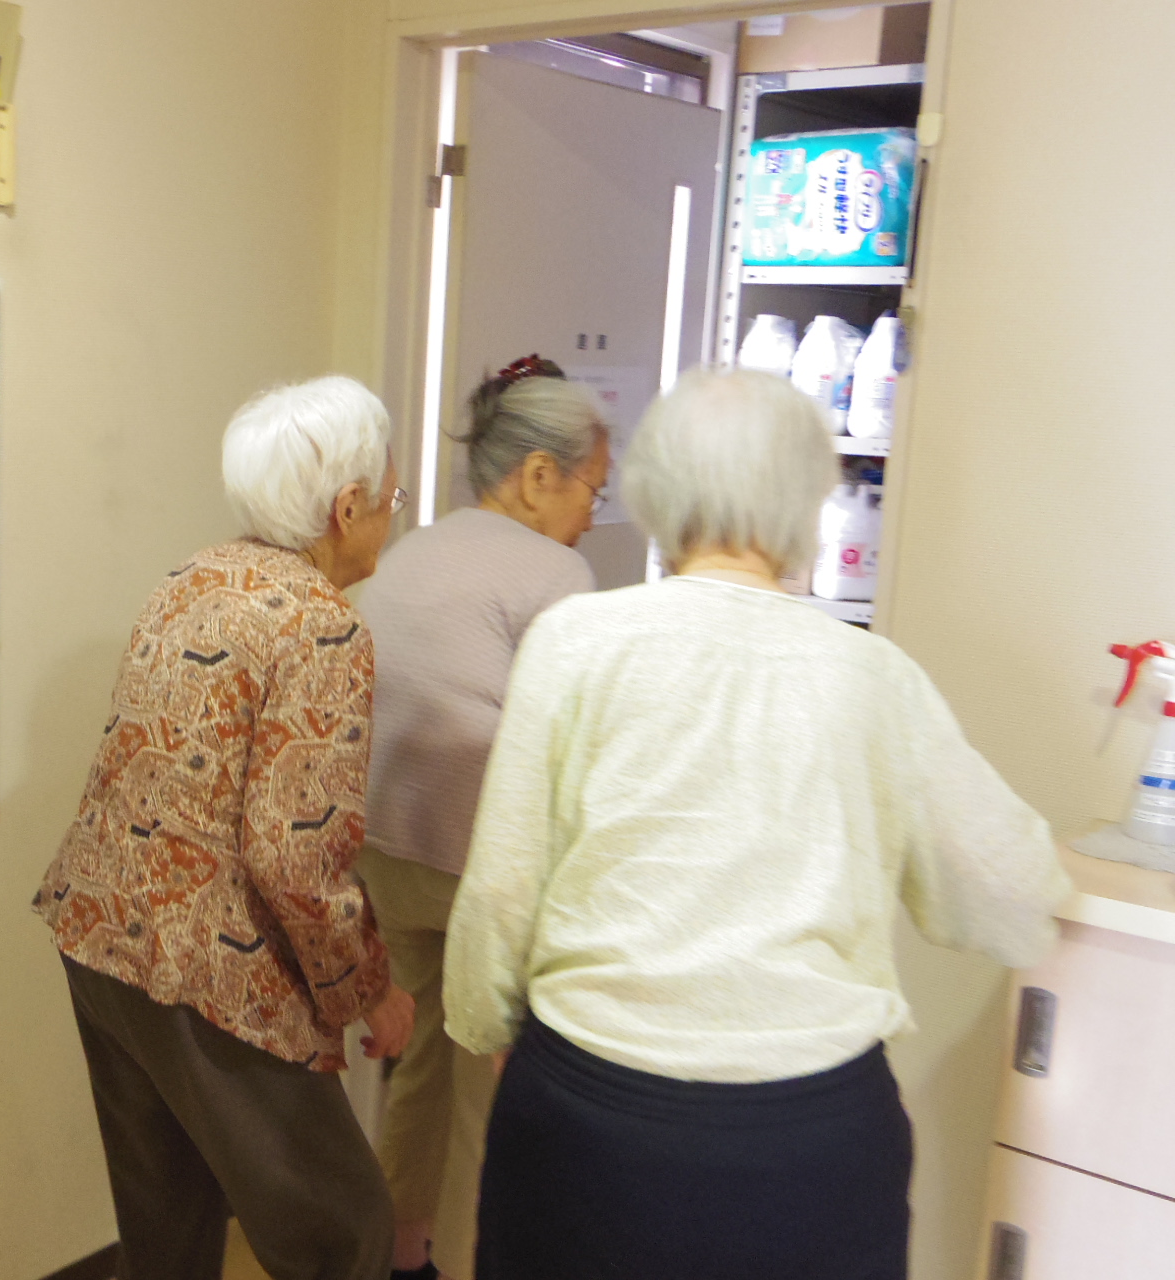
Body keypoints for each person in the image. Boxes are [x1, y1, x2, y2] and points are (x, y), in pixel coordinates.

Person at [443, 367, 1073, 1280]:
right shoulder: (873, 678)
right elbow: (1010, 895)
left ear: (657, 492)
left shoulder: (574, 642)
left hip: (590, 1116)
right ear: (807, 505)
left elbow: (501, 890)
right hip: (810, 1147)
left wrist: (491, 1030)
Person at [35, 376, 416, 1280]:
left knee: (165, 1229)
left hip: (100, 934)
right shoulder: (322, 627)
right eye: (391, 499)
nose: (390, 518)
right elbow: (294, 855)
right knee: (345, 1234)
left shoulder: (194, 577)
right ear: (347, 507)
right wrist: (369, 989)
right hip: (207, 967)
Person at [355, 355, 606, 1280]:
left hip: (384, 854)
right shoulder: (558, 573)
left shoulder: (412, 548)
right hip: (475, 870)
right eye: (592, 489)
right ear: (538, 475)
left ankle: (397, 1252)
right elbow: (571, 744)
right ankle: (467, 1261)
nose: (592, 515)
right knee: (480, 1096)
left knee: (419, 1066)